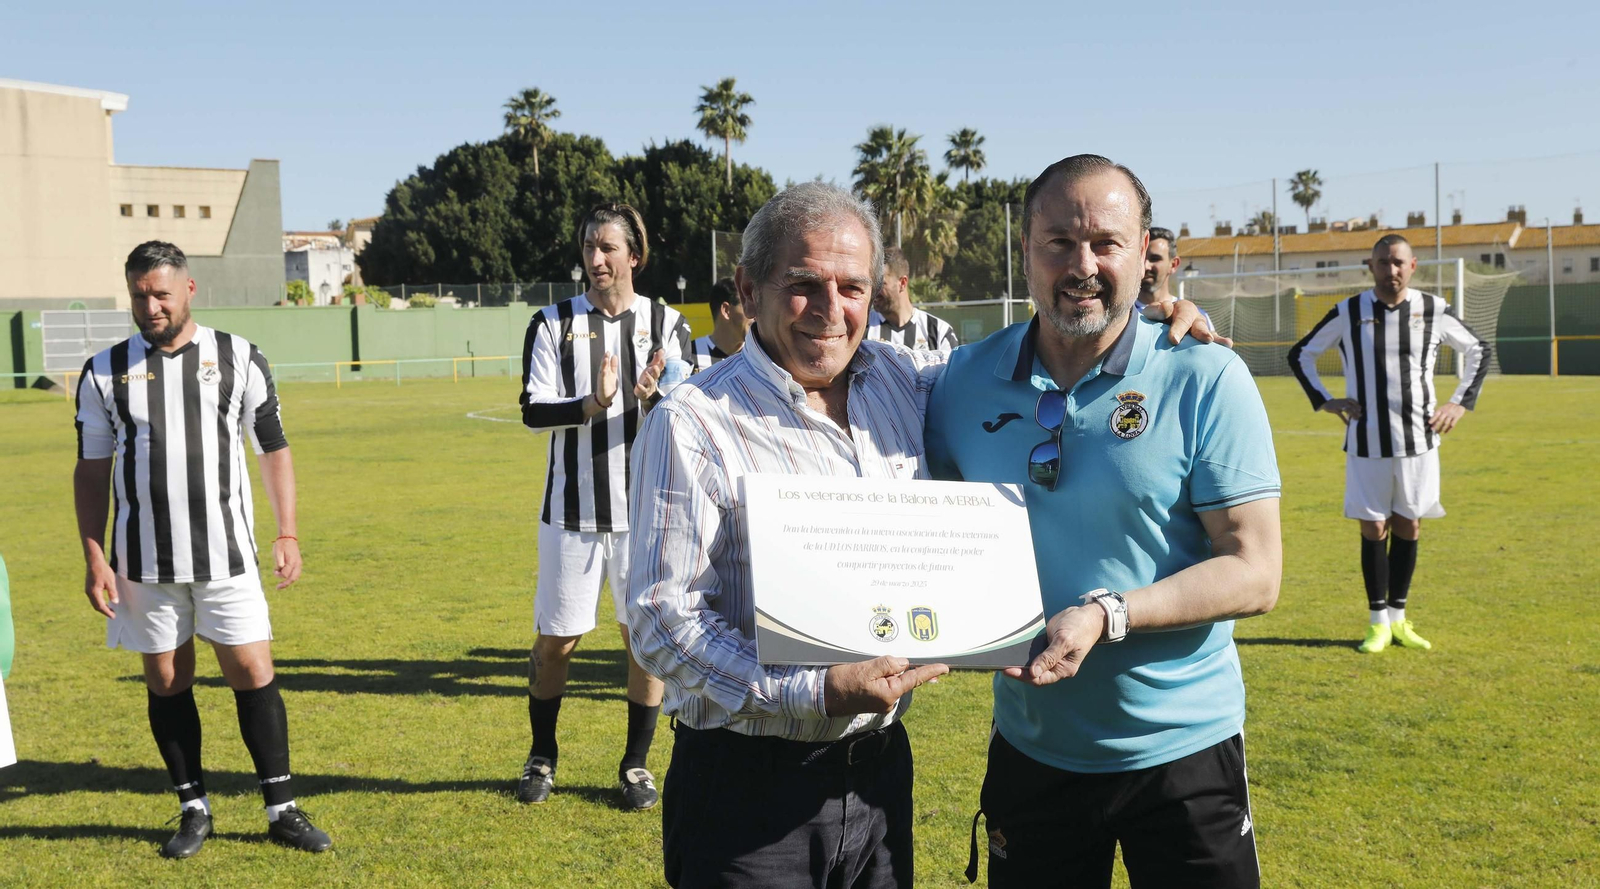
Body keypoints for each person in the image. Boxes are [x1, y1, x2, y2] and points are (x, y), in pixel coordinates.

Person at [627, 182, 1219, 888]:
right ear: (750, 289)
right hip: (746, 787)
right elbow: (661, 621)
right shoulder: (692, 421)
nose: (830, 309)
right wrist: (810, 692)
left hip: (878, 778)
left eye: (852, 287)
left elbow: (1054, 347)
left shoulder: (906, 382)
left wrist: (1147, 326)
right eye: (803, 284)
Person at [925, 155, 1283, 888]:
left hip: (1184, 751)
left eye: (1105, 243)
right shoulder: (960, 380)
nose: (1082, 266)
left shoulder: (1205, 374)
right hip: (1033, 746)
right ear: (1025, 250)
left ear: (1144, 251)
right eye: (1059, 241)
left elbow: (1255, 571)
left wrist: (1108, 613)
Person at [73, 241, 331, 858]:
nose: (151, 306)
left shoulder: (239, 356)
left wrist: (287, 531)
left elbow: (273, 448)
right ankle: (193, 808)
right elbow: (91, 468)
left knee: (252, 671)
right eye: (139, 295)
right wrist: (93, 555)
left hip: (226, 554)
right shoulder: (104, 370)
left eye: (161, 293)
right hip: (143, 561)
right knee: (167, 678)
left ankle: (281, 809)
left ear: (189, 288)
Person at [516, 201, 692, 809]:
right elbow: (533, 410)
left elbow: (688, 412)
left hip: (646, 516)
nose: (595, 258)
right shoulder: (551, 323)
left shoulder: (668, 324)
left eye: (608, 247)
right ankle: (542, 754)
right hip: (572, 514)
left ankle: (635, 764)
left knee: (642, 643)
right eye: (589, 246)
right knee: (556, 642)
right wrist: (593, 403)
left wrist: (649, 399)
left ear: (633, 256)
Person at [1288, 234, 1490, 653]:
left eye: (1398, 262)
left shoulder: (1433, 309)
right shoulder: (1349, 311)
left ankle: (1399, 618)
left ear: (1412, 265)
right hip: (1367, 441)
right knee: (1374, 526)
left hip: (1420, 440)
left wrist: (1459, 403)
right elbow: (1301, 354)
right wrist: (1325, 400)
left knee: (1409, 524)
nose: (1391, 270)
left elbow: (1478, 351)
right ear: (1371, 266)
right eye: (1383, 262)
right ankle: (1377, 622)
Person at [866, 246, 959, 354]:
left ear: (902, 283)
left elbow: (954, 365)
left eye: (881, 284)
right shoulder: (862, 328)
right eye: (871, 283)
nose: (873, 290)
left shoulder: (939, 332)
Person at [1138, 227, 1209, 327]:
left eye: (1155, 259)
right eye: (1141, 258)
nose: (1146, 266)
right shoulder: (1121, 316)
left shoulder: (1196, 318)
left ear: (1173, 265)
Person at [690, 277, 750, 370]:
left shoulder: (761, 357)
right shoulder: (688, 355)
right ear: (726, 310)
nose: (756, 314)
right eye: (748, 306)